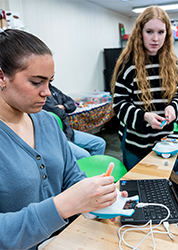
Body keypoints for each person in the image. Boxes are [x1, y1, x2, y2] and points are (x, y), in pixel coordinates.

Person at [0, 28, 127, 250]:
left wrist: (95, 197)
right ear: (2, 77)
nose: (47, 92)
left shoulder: (47, 122)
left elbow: (72, 176)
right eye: (36, 82)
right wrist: (63, 205)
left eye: (50, 81)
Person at [111, 6, 178, 170]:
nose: (155, 39)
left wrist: (174, 108)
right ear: (140, 33)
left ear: (167, 34)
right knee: (138, 188)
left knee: (161, 189)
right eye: (149, 32)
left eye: (161, 32)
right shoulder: (129, 66)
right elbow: (119, 104)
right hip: (136, 146)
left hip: (166, 144)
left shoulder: (172, 65)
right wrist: (144, 117)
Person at [42, 83, 106, 160]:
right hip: (56, 138)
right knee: (84, 155)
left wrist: (63, 107)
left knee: (100, 143)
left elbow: (72, 104)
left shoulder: (53, 89)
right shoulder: (40, 94)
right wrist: (64, 109)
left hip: (68, 131)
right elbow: (58, 113)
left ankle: (94, 169)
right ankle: (83, 171)